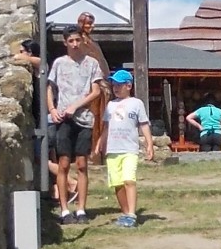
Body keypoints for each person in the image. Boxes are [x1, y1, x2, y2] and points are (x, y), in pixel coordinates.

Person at [46, 31, 107, 221]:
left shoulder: (91, 63)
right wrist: (52, 109)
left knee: (82, 164)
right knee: (63, 163)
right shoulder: (59, 63)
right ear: (65, 43)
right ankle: (64, 210)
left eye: (77, 40)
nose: (74, 44)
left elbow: (96, 91)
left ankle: (81, 209)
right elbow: (50, 88)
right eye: (70, 40)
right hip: (63, 119)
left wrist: (76, 106)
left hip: (84, 119)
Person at [101, 69, 154, 228]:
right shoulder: (110, 105)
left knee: (129, 180)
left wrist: (149, 143)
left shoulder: (136, 103)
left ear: (128, 86)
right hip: (113, 149)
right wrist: (100, 143)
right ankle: (125, 213)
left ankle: (131, 214)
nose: (116, 88)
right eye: (114, 85)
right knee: (117, 183)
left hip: (129, 149)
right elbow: (106, 127)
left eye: (119, 85)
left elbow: (144, 124)